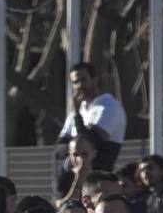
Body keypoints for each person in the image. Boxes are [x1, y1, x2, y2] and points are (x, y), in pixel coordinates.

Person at [54, 61, 127, 195]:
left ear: (94, 79)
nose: (80, 86)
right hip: (72, 187)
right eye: (75, 82)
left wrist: (77, 117)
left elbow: (88, 143)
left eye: (83, 80)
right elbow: (59, 149)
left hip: (97, 186)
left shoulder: (109, 106)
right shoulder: (78, 110)